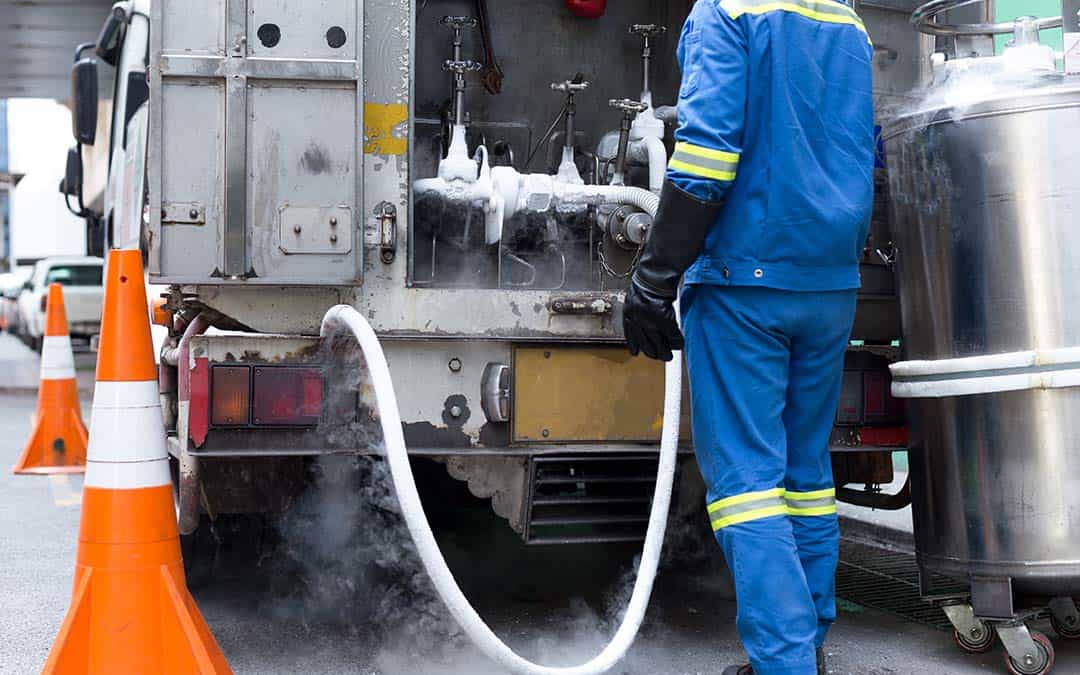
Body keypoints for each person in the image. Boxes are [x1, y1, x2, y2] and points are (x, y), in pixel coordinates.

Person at [621, 1, 874, 673]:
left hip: (746, 280)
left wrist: (654, 275)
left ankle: (785, 663)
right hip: (829, 282)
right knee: (804, 473)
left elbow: (706, 154)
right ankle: (807, 647)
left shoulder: (727, 12)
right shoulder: (847, 21)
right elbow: (856, 145)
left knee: (746, 483)